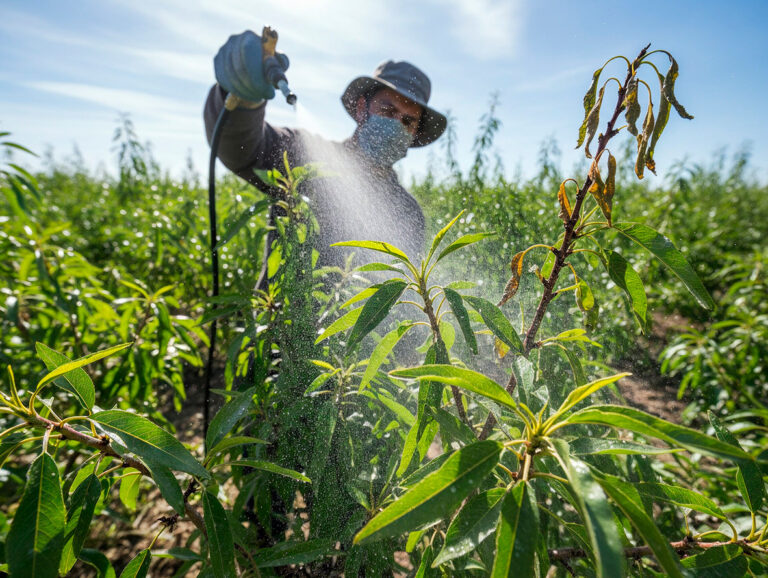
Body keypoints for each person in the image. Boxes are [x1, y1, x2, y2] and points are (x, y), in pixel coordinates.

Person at [204, 30, 447, 270]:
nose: (396, 125)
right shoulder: (305, 157)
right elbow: (244, 150)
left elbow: (404, 292)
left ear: (414, 134)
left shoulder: (408, 212)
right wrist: (243, 100)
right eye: (388, 110)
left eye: (407, 121)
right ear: (362, 109)